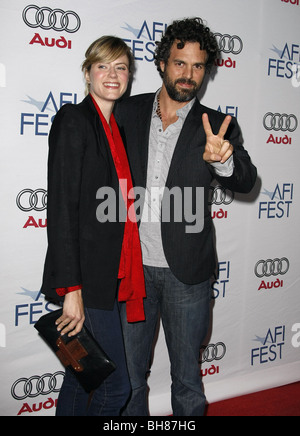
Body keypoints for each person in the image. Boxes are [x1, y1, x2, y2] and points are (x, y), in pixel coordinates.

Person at [115, 17, 257, 416]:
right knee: (129, 377)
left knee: (188, 378)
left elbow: (246, 180)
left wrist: (224, 161)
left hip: (188, 274)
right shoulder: (126, 112)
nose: (189, 75)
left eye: (198, 66)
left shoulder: (217, 126)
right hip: (133, 269)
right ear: (163, 63)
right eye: (180, 63)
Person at [41, 36, 146, 416]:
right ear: (87, 73)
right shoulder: (75, 120)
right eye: (103, 66)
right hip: (86, 279)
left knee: (80, 375)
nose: (112, 74)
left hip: (113, 275)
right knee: (115, 387)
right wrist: (71, 289)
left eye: (121, 67)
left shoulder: (116, 128)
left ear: (129, 76)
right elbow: (63, 209)